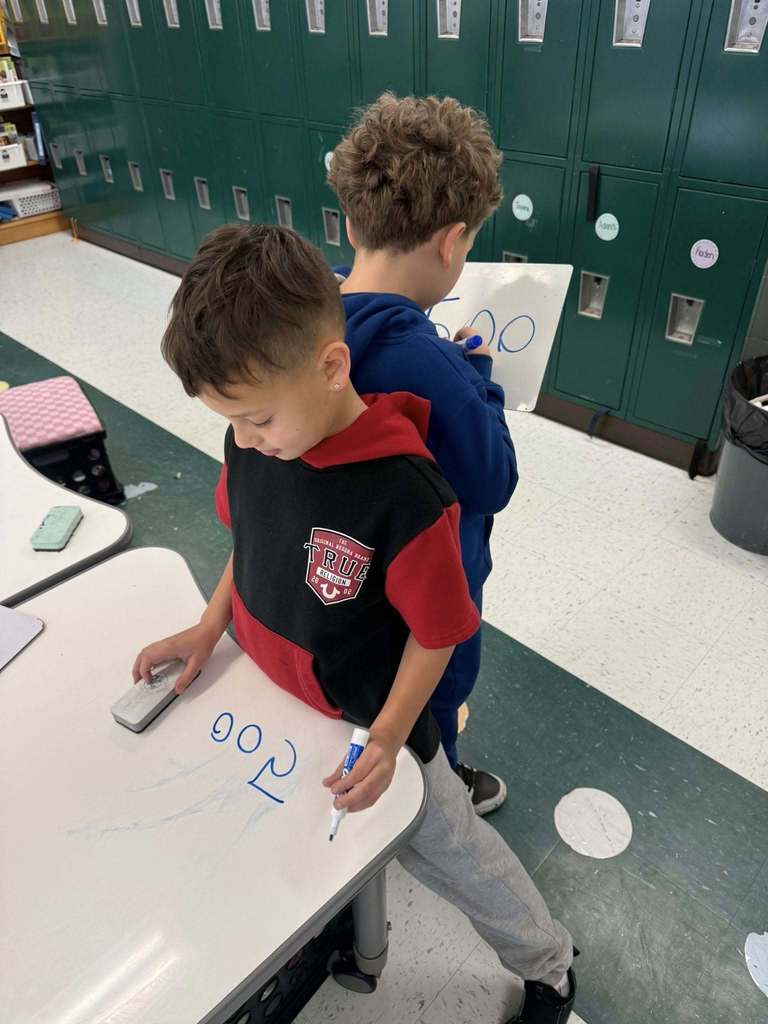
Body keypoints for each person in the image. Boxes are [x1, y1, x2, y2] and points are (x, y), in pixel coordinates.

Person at [133, 224, 576, 1023]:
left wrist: (390, 737)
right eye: (232, 421)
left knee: (454, 857)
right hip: (278, 711)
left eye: (257, 419)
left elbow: (438, 632)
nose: (243, 440)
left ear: (333, 368)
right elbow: (248, 543)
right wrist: (207, 628)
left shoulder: (404, 492)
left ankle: (549, 960)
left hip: (373, 724)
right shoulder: (256, 441)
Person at [329, 92, 516, 815]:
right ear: (451, 241)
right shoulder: (436, 367)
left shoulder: (308, 323)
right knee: (436, 701)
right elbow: (494, 480)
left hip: (346, 580)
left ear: (352, 222)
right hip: (430, 598)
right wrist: (480, 378)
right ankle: (439, 790)